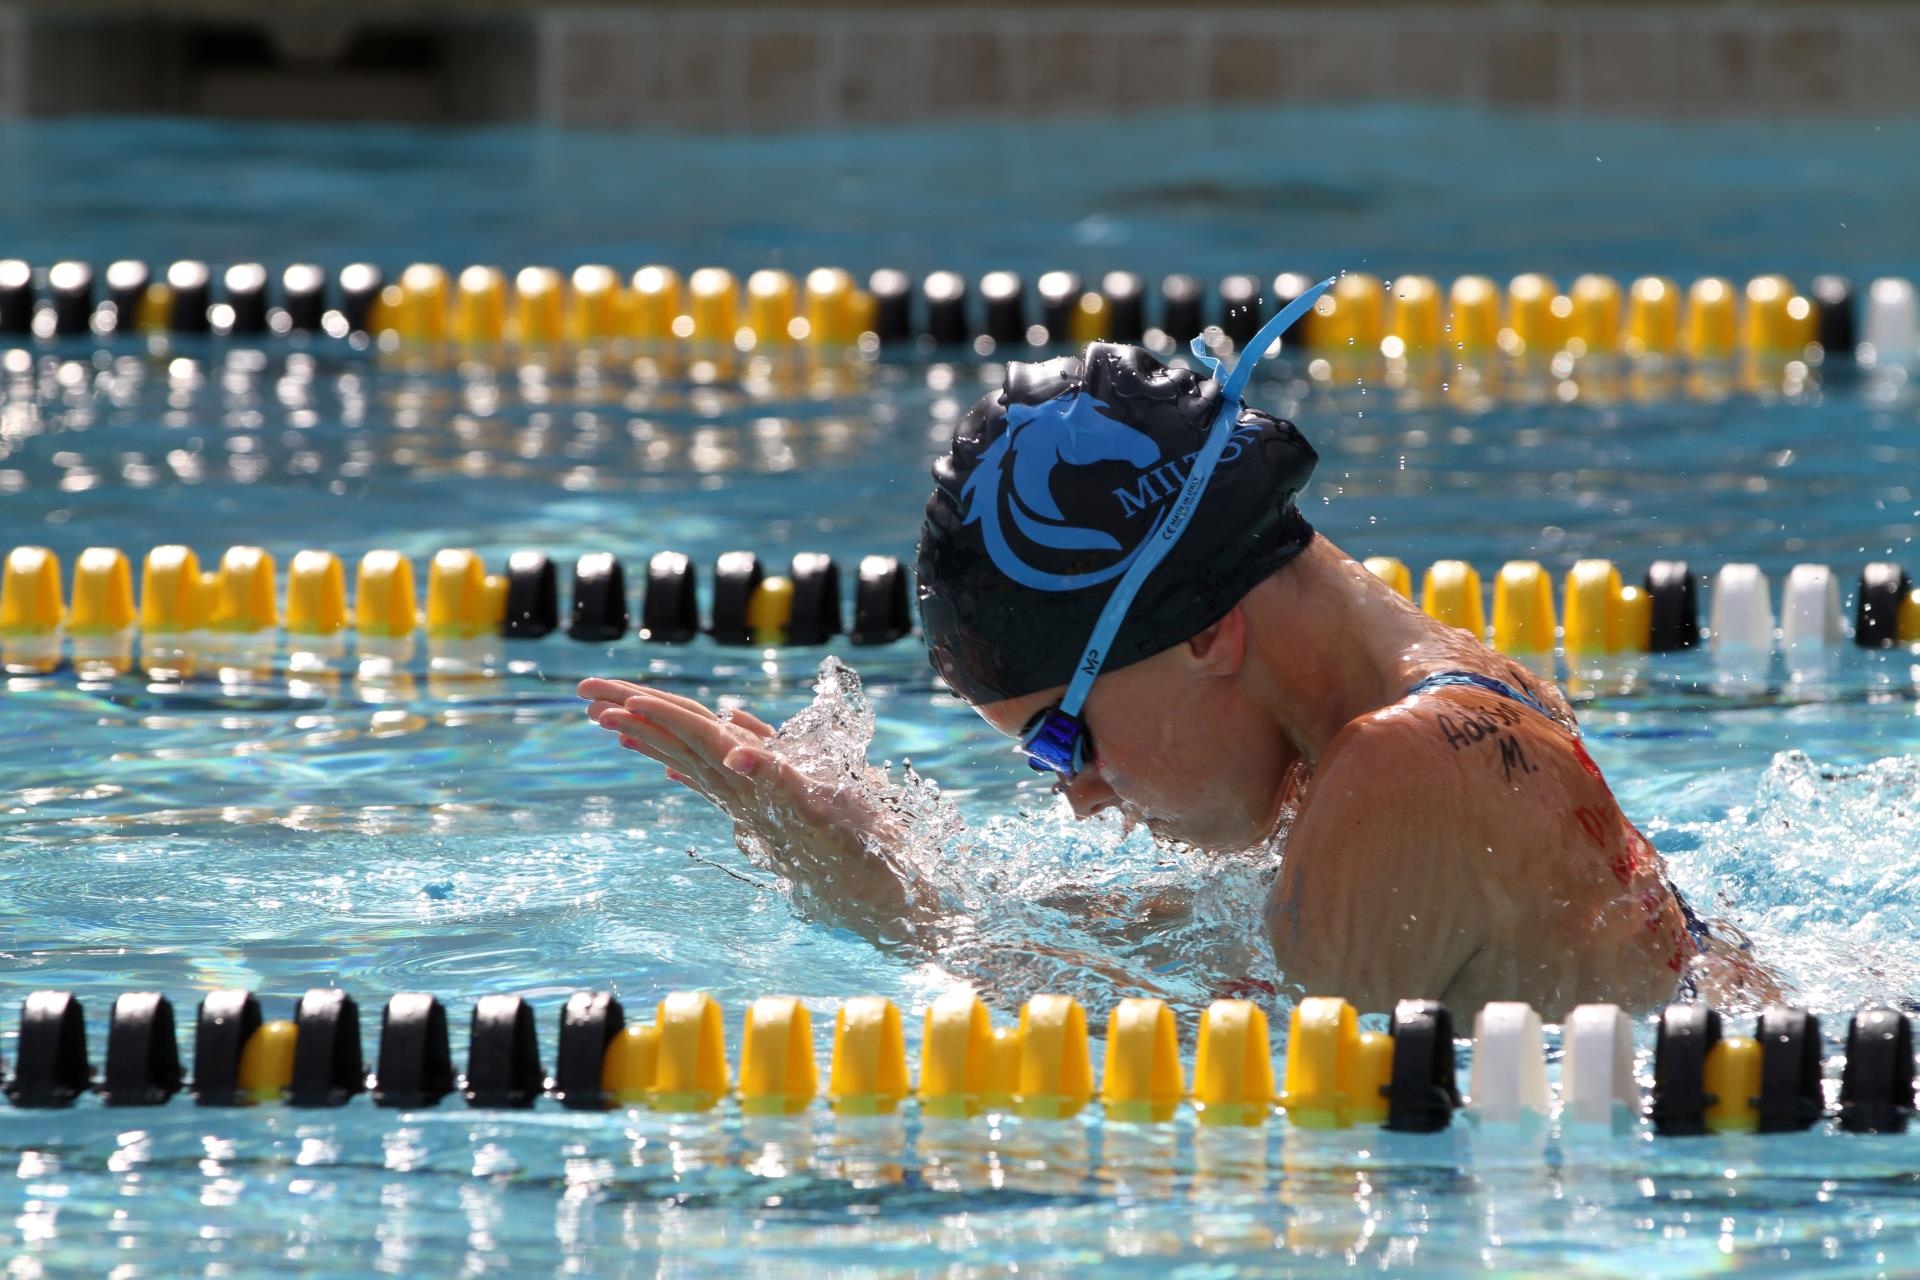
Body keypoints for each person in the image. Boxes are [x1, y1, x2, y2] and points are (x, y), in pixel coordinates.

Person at [581, 294, 1765, 1019]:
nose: (1081, 793)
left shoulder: (1400, 766)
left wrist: (895, 918)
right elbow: (1238, 937)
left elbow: (1244, 1082)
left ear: (1202, 627)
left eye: (1062, 732)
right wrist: (901, 863)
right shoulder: (1447, 686)